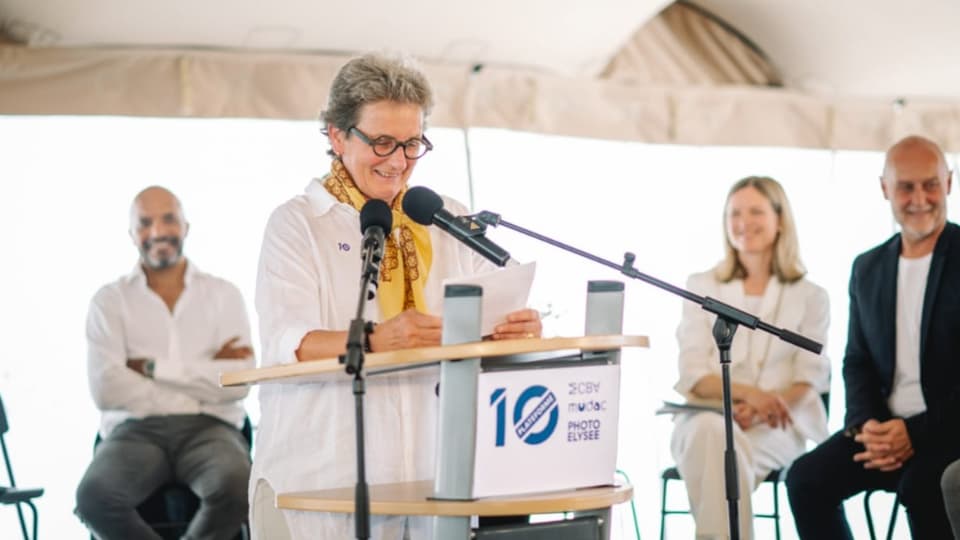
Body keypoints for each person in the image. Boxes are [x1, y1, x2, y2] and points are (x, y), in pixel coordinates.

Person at [249, 53, 541, 540]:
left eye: (412, 144)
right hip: (319, 482)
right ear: (336, 135)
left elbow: (481, 317)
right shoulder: (297, 223)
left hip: (432, 482)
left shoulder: (446, 216)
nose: (398, 161)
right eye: (382, 141)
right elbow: (288, 340)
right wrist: (377, 338)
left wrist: (511, 332)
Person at [786, 135, 960, 539]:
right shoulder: (867, 268)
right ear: (884, 188)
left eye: (930, 184)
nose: (920, 198)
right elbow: (856, 360)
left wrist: (913, 434)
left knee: (922, 489)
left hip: (948, 433)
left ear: (949, 182)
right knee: (806, 480)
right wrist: (866, 426)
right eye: (906, 186)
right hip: (883, 431)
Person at [75, 186, 255, 540]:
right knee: (93, 498)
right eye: (144, 223)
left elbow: (240, 382)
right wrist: (205, 375)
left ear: (186, 226)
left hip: (211, 429)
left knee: (239, 486)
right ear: (131, 234)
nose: (157, 231)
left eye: (168, 219)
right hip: (135, 433)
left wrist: (150, 368)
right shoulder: (109, 302)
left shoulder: (224, 295)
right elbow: (106, 390)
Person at [671, 176, 830, 540]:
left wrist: (760, 410)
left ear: (780, 219)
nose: (744, 223)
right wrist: (748, 397)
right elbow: (693, 373)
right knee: (715, 435)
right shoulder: (701, 286)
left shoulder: (811, 296)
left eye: (756, 211)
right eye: (735, 214)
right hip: (705, 418)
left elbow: (810, 377)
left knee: (724, 457)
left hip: (775, 427)